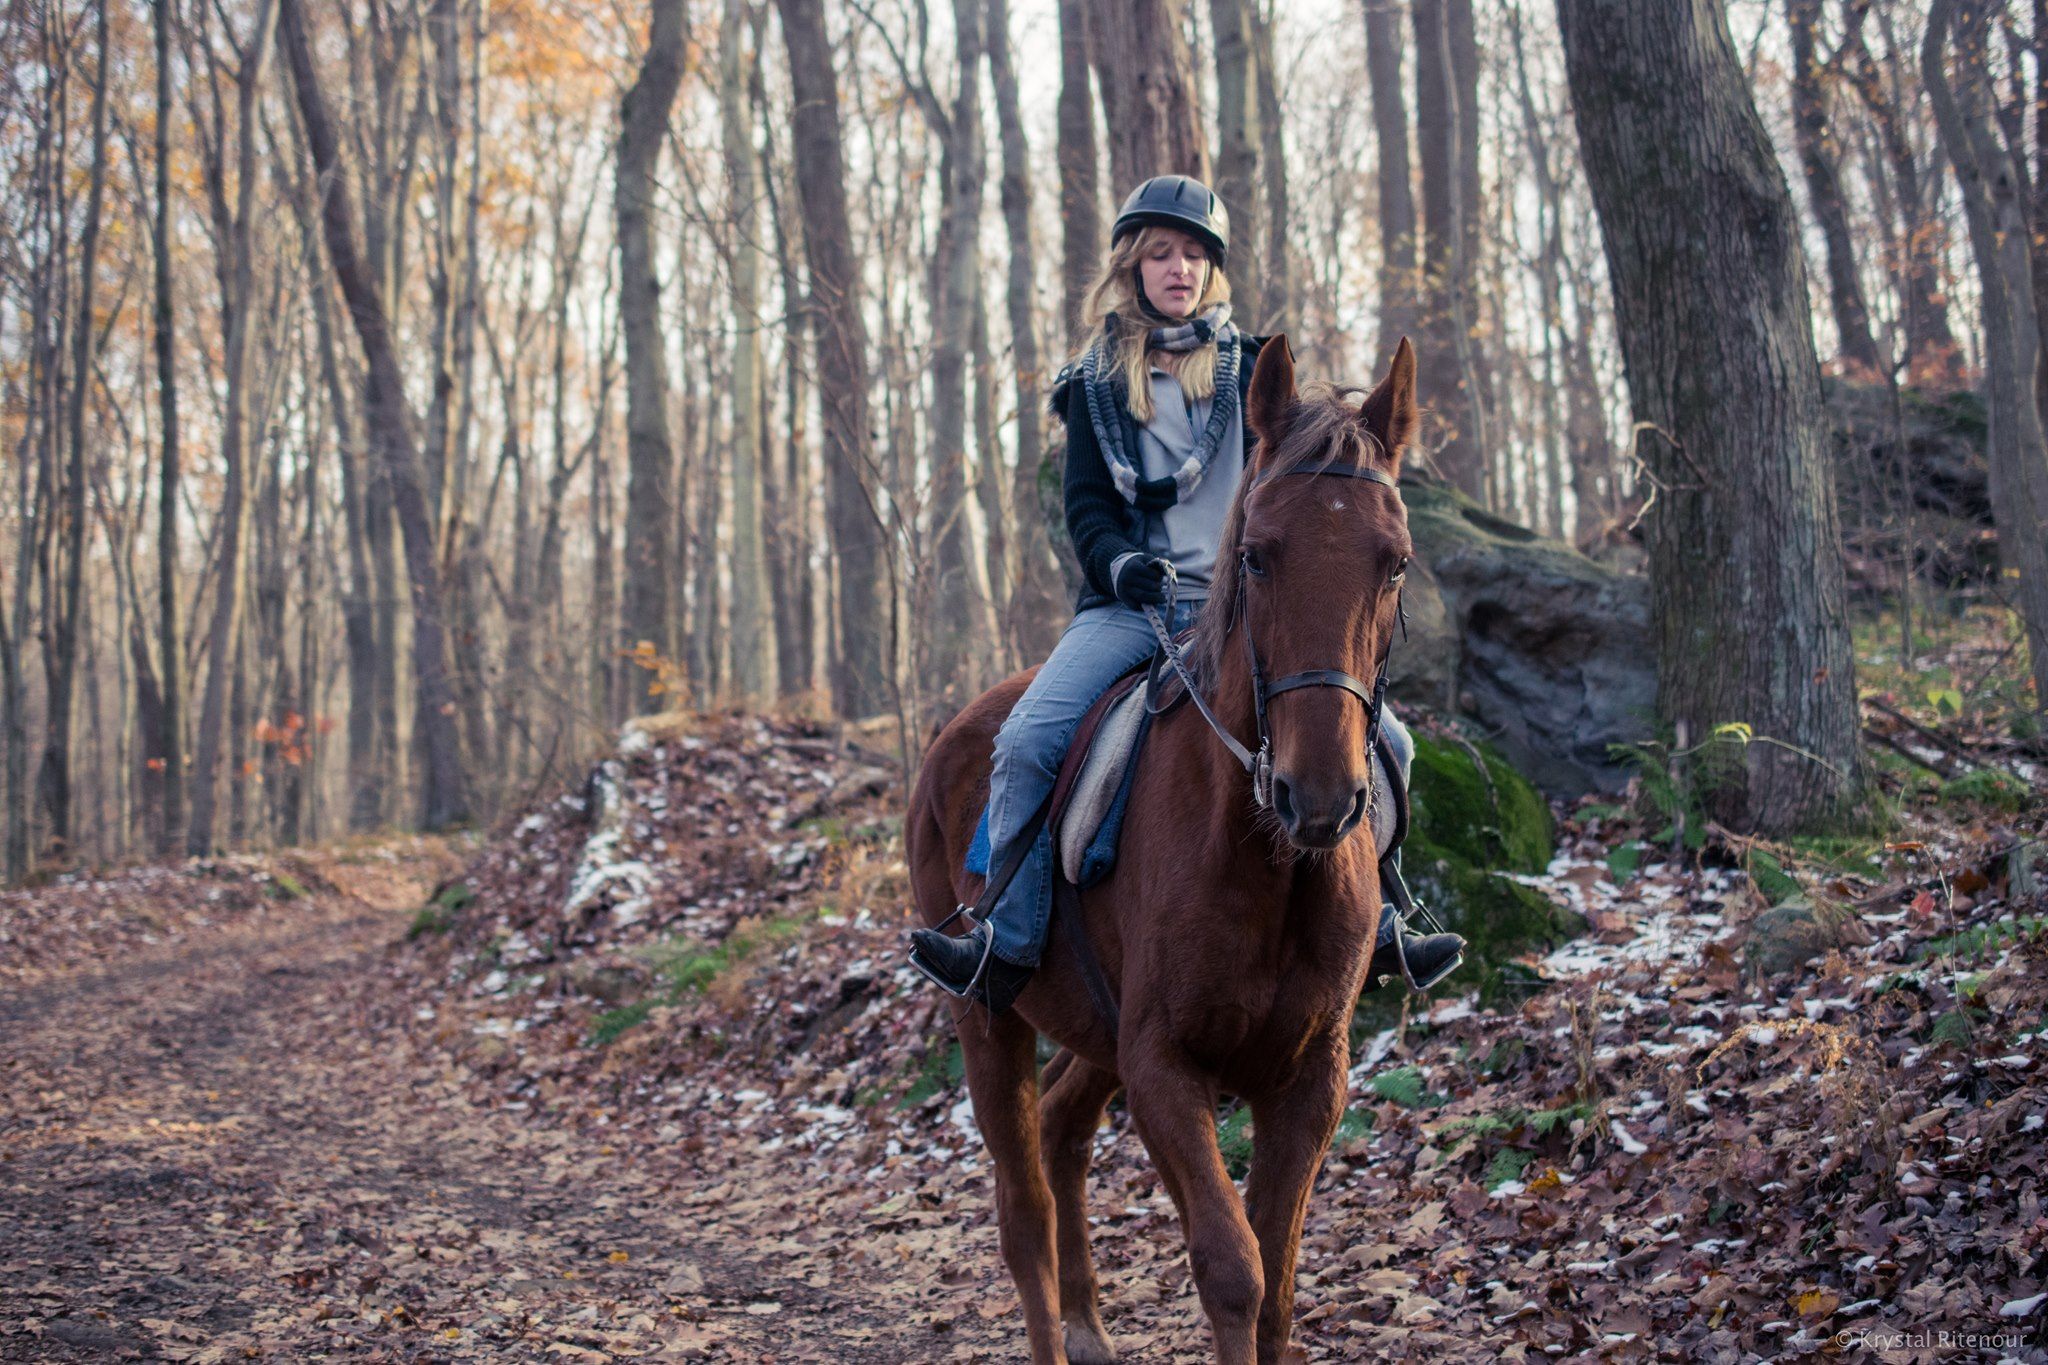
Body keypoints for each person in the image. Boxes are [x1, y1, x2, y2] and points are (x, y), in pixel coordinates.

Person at [909, 175, 1464, 1013]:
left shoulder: (1254, 372)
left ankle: (1384, 915)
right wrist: (1118, 565)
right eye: (1162, 253)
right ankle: (1004, 935)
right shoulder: (1093, 383)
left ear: (1213, 270)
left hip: (1241, 608)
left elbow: (1296, 494)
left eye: (1196, 255)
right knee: (1026, 738)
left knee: (1393, 745)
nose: (1180, 269)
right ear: (1132, 266)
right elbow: (1087, 507)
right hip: (1131, 609)